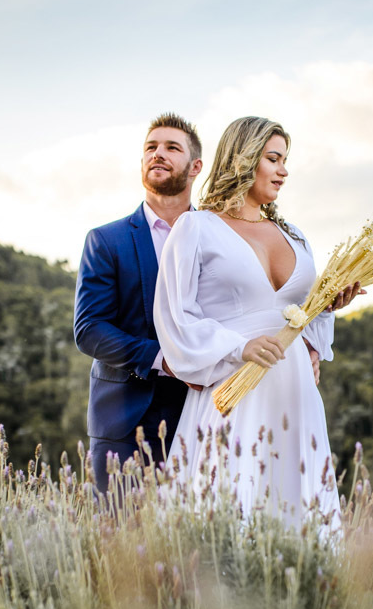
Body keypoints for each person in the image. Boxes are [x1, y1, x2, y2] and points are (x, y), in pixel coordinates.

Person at [153, 115, 360, 528]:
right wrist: (238, 347)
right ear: (244, 158)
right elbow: (176, 318)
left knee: (299, 513)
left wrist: (328, 307)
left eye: (285, 160)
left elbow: (306, 313)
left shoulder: (296, 235)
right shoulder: (196, 228)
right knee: (230, 510)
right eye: (273, 159)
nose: (284, 171)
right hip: (234, 390)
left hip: (295, 391)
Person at [73, 113, 202, 492]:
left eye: (171, 148)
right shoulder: (105, 240)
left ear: (195, 167)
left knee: (194, 547)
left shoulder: (217, 238)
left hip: (203, 415)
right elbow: (90, 331)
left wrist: (319, 314)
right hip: (124, 423)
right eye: (151, 147)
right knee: (120, 543)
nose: (157, 154)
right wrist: (165, 359)